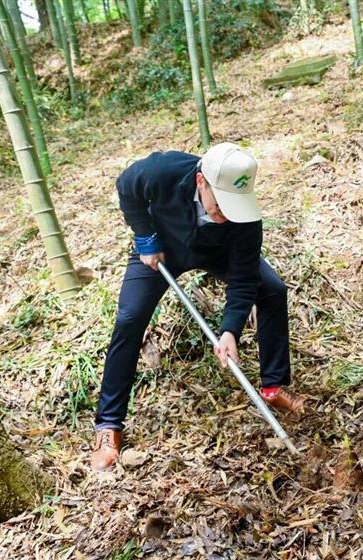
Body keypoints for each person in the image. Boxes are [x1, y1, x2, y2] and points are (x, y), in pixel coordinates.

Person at [91, 143, 306, 470]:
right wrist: (145, 237)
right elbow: (126, 187)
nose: (225, 216)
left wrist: (230, 330)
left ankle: (273, 386)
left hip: (216, 252)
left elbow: (244, 278)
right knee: (130, 318)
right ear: (201, 181)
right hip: (161, 247)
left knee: (272, 290)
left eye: (233, 208)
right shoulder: (162, 171)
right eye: (219, 206)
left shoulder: (244, 217)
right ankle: (109, 424)